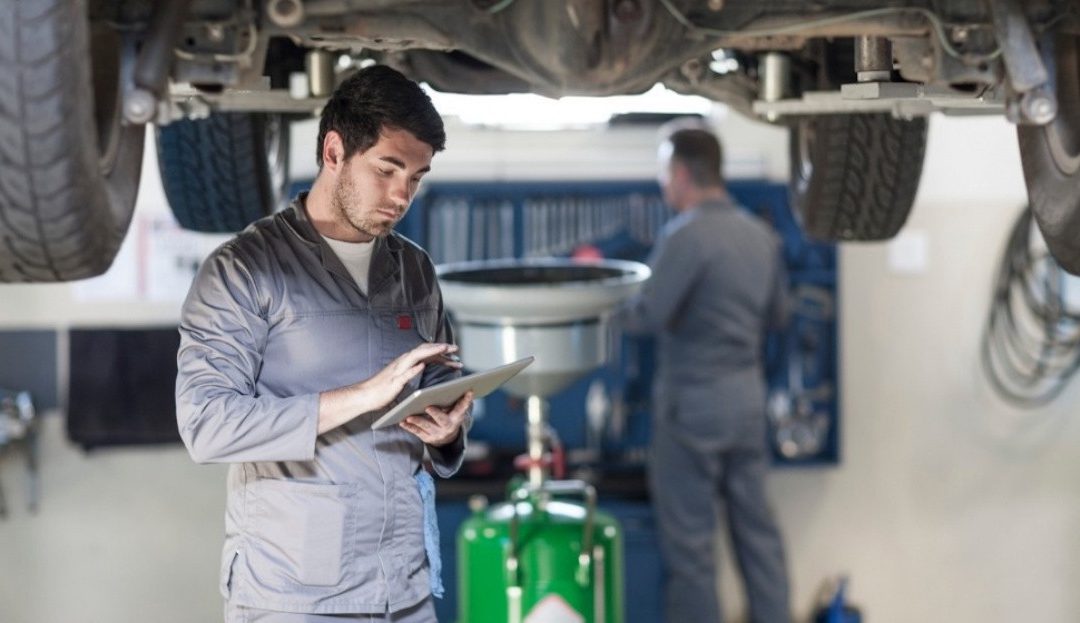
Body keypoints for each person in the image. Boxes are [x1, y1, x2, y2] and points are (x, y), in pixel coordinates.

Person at [176, 65, 473, 623]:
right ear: (334, 151)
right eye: (388, 168)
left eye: (416, 176)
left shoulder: (413, 269)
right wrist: (363, 396)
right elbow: (206, 424)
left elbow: (438, 387)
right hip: (295, 595)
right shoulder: (244, 270)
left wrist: (450, 429)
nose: (401, 194)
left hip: (404, 587)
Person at [621, 121, 792, 623]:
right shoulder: (761, 236)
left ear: (679, 174)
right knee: (758, 538)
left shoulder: (685, 236)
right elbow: (780, 315)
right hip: (746, 404)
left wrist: (608, 299)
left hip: (690, 410)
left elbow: (646, 317)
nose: (662, 183)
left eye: (663, 173)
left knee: (692, 551)